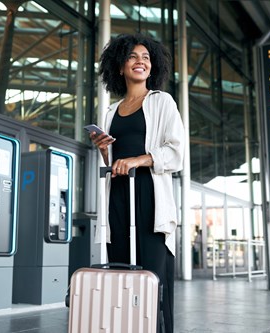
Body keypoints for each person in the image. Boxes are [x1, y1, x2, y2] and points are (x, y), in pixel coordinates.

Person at [90, 33, 185, 333]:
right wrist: (105, 150)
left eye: (145, 57)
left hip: (149, 197)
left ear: (152, 67)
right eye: (132, 56)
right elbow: (111, 164)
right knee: (121, 275)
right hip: (118, 197)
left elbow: (176, 151)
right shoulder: (110, 112)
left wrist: (138, 160)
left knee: (153, 280)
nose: (140, 61)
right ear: (119, 66)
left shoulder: (161, 102)